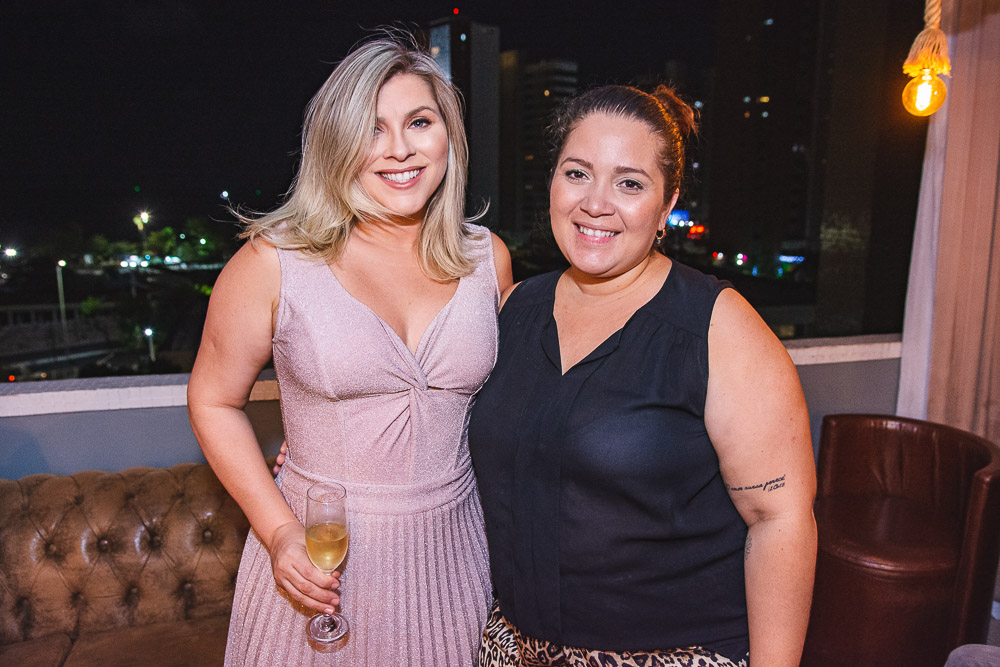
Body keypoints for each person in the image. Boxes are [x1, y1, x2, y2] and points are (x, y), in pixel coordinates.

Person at [187, 34, 512, 666]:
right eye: (372, 129)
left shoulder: (486, 259)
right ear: (337, 144)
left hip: (456, 556)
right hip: (321, 567)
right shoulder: (273, 262)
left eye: (419, 122)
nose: (399, 149)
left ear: (448, 136)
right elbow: (213, 400)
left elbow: (507, 403)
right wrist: (279, 531)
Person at [467, 85, 817, 666]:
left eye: (629, 184)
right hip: (513, 647)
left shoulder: (719, 328)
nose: (595, 204)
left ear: (667, 203)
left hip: (673, 653)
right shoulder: (514, 308)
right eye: (577, 174)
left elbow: (778, 520)